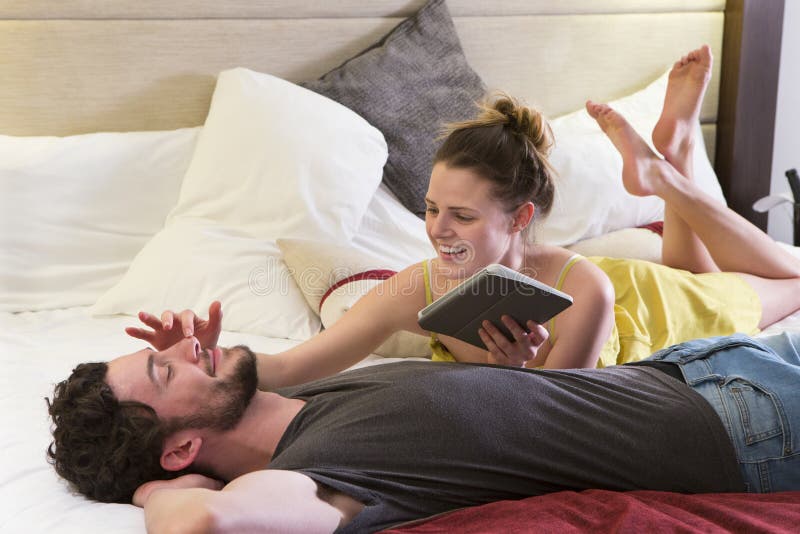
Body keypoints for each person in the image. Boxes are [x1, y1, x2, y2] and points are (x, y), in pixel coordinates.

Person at [127, 45, 800, 388]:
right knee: (722, 268)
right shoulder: (416, 288)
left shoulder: (582, 289)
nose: (438, 230)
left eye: (463, 217)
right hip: (641, 289)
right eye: (430, 210)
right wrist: (203, 356)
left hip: (657, 308)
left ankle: (668, 173)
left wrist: (514, 375)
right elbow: (290, 367)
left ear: (519, 219)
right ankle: (671, 160)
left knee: (792, 281)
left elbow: (564, 412)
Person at [47, 331, 800, 533]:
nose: (187, 353)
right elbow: (202, 522)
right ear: (181, 450)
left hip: (711, 365)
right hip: (756, 428)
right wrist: (151, 485)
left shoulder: (295, 399)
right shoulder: (314, 473)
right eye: (164, 371)